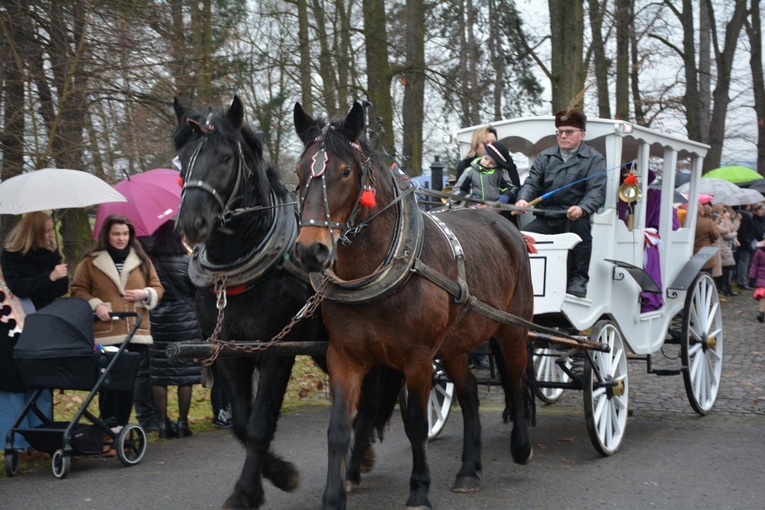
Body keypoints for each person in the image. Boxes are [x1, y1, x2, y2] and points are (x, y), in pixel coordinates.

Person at [70, 214, 164, 455]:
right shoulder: (91, 262)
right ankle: (106, 433)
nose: (121, 238)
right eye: (116, 234)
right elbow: (78, 289)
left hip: (136, 330)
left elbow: (158, 288)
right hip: (107, 333)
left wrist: (144, 293)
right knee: (108, 384)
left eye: (125, 234)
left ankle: (119, 434)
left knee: (128, 384)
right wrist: (95, 304)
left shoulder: (142, 259)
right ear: (107, 235)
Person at [513, 109, 607, 297]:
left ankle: (579, 280)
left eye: (569, 132)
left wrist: (582, 208)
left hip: (573, 218)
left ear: (582, 135)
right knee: (519, 239)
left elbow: (596, 192)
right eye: (560, 132)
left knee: (582, 232)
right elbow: (532, 182)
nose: (563, 136)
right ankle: (522, 282)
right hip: (546, 218)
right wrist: (523, 199)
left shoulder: (594, 159)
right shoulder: (545, 157)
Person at [0, 212, 69, 462]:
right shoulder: (11, 254)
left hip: (44, 323)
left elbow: (61, 288)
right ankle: (15, 441)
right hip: (14, 328)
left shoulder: (50, 252)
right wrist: (48, 278)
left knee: (41, 380)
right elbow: (19, 287)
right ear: (34, 231)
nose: (51, 235)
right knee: (14, 385)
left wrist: (56, 277)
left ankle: (40, 439)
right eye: (47, 230)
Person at [147, 221, 202, 439]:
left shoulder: (150, 263)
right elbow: (197, 291)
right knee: (185, 376)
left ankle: (162, 423)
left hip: (158, 322)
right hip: (186, 322)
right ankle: (182, 423)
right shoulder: (187, 262)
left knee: (159, 375)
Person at [453, 141, 518, 205]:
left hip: (494, 208)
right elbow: (457, 189)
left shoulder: (501, 173)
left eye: (492, 163)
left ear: (497, 165)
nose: (487, 163)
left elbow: (511, 188)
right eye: (486, 159)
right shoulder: (469, 171)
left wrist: (507, 196)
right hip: (473, 207)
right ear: (483, 155)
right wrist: (469, 199)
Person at [714, 204, 739, 296]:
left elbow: (733, 228)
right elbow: (727, 235)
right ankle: (726, 288)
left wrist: (736, 221)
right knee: (729, 267)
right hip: (723, 247)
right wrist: (735, 234)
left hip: (725, 247)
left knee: (726, 268)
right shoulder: (720, 222)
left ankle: (724, 287)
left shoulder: (722, 221)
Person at [693, 204, 721, 276]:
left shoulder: (687, 221)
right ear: (702, 212)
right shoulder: (707, 222)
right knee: (706, 276)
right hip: (705, 254)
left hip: (693, 254)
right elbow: (715, 236)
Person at [749, 239, 765, 322]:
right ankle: (761, 313)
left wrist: (752, 276)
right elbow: (754, 265)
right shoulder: (759, 252)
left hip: (761, 277)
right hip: (762, 277)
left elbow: (754, 265)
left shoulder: (759, 251)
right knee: (763, 295)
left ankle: (761, 313)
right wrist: (752, 275)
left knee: (763, 296)